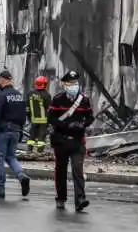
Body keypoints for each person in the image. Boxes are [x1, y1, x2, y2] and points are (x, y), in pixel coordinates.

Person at [48, 70, 94, 211]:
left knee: (78, 170)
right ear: (64, 84)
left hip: (77, 141)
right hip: (61, 140)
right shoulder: (57, 99)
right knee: (60, 171)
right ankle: (61, 198)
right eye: (69, 83)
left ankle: (80, 199)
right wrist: (66, 125)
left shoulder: (84, 100)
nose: (73, 86)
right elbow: (51, 118)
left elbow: (90, 117)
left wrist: (83, 124)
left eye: (75, 83)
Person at [0, 69, 30, 199]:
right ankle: (22, 176)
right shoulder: (19, 95)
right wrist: (20, 130)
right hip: (16, 130)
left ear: (4, 80)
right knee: (11, 157)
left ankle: (0, 188)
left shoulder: (2, 96)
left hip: (3, 131)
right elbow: (23, 115)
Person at [26, 75, 51, 153]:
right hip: (44, 121)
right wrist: (49, 121)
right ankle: (40, 152)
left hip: (33, 120)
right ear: (44, 84)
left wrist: (29, 118)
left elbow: (27, 107)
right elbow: (49, 109)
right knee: (41, 137)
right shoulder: (47, 95)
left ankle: (29, 150)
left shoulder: (30, 93)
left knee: (32, 136)